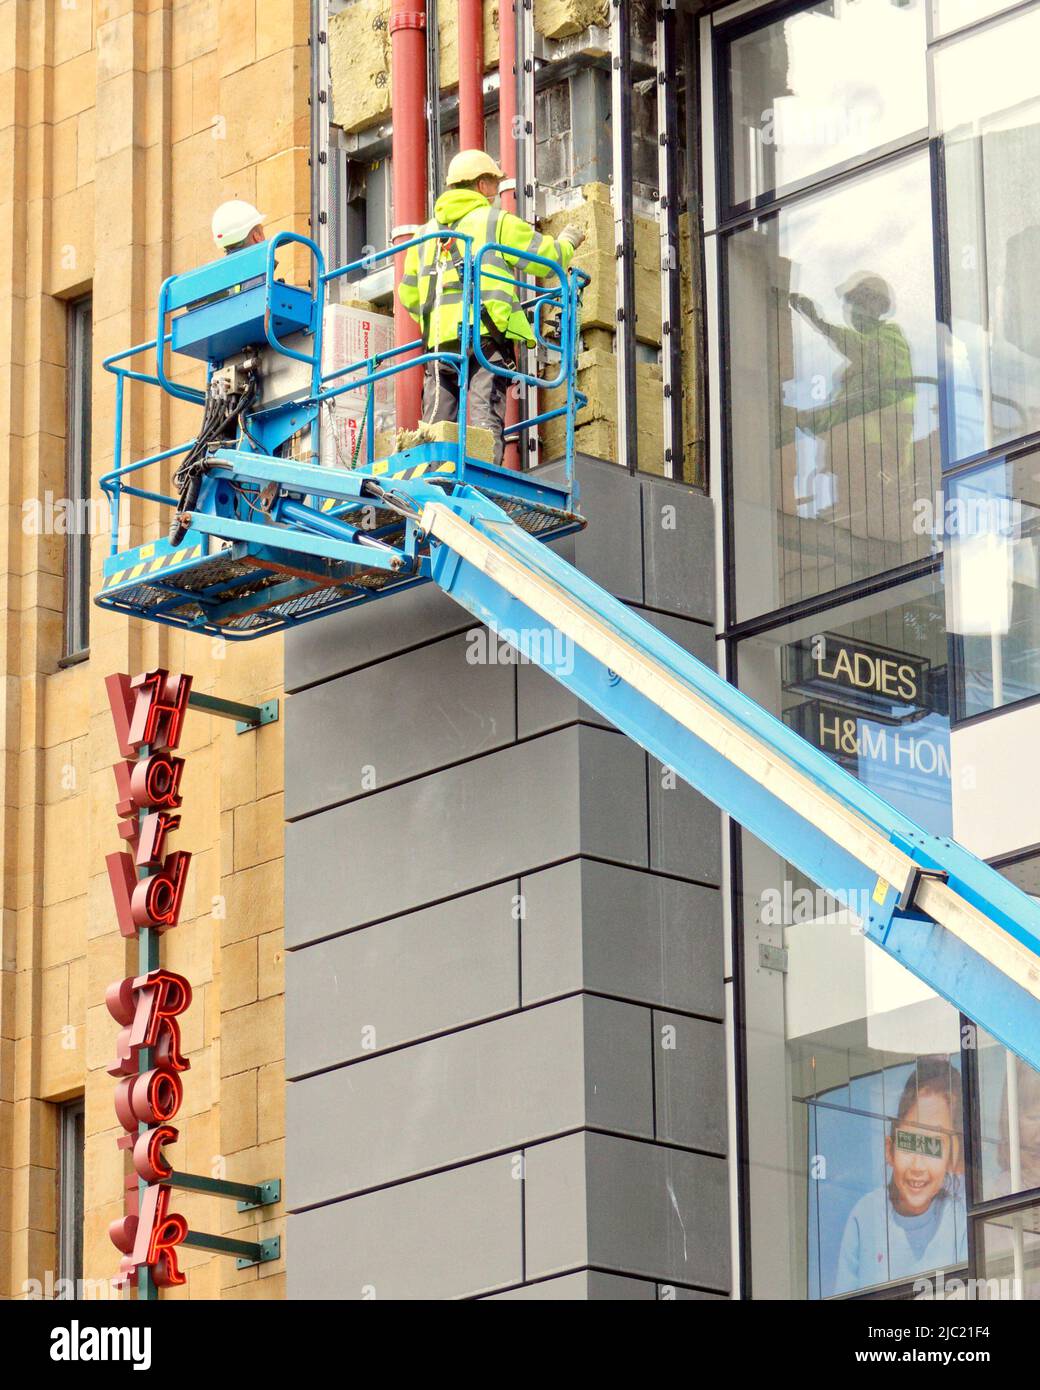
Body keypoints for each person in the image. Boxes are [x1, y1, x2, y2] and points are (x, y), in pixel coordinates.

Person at [398, 149, 585, 467]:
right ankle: (483, 477)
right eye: (494, 185)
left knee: (436, 421)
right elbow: (545, 260)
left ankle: (432, 477)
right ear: (482, 185)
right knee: (483, 414)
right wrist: (568, 242)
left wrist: (441, 320)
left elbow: (409, 297)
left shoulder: (424, 234)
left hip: (439, 346)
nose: (496, 193)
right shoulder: (494, 221)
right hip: (484, 336)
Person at [834, 1057, 967, 1295]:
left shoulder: (960, 1223)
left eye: (932, 1146)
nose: (918, 1165)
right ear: (889, 1149)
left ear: (951, 1157)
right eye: (909, 1143)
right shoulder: (864, 1218)